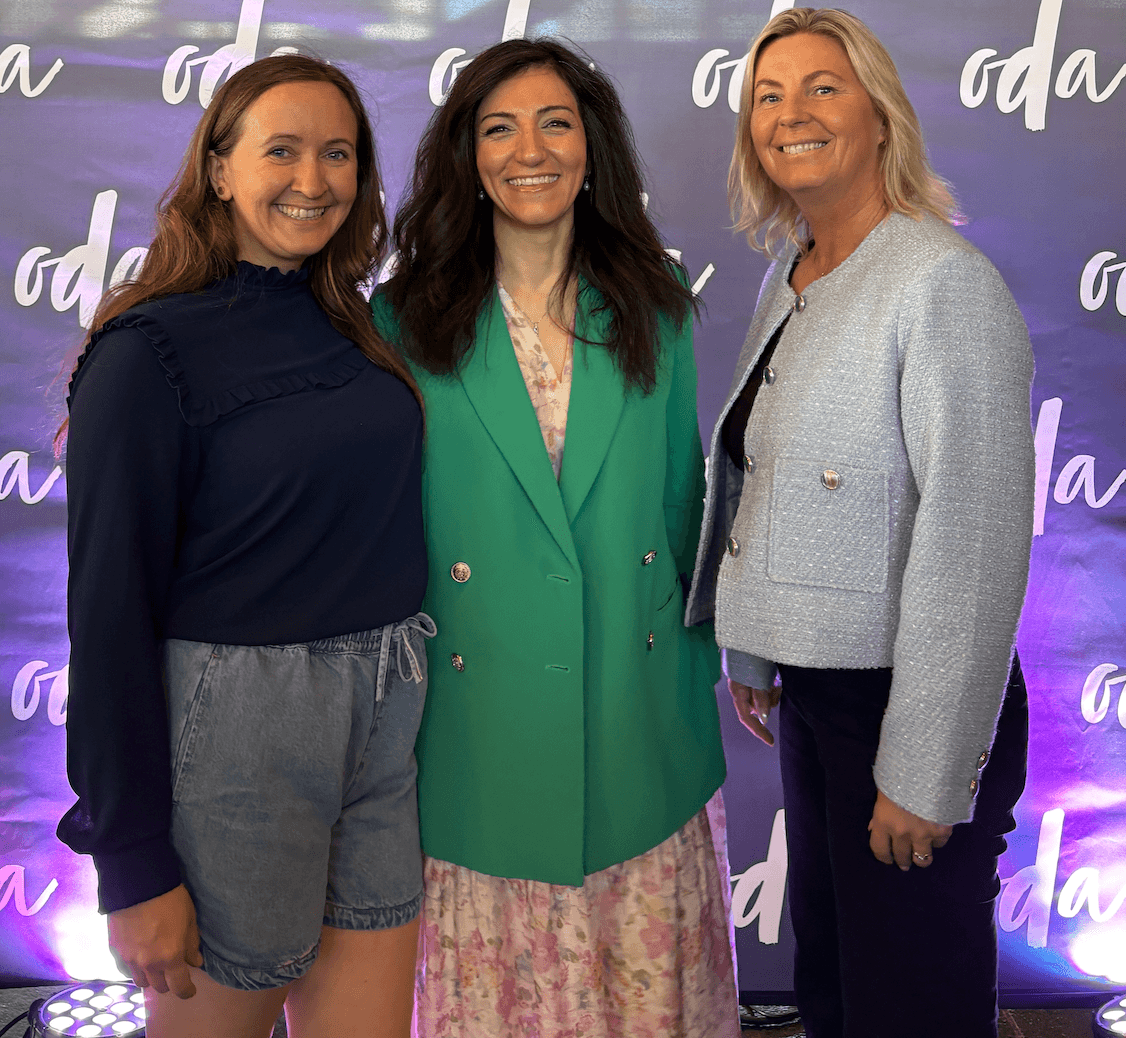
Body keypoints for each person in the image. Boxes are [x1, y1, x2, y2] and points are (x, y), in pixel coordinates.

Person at [58, 55, 432, 1038]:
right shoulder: (147, 353)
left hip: (387, 711)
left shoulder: (352, 323)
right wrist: (132, 865)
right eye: (282, 151)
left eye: (338, 154)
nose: (313, 181)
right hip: (238, 735)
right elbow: (107, 618)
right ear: (218, 168)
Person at [372, 38, 739, 1038]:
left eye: (554, 123)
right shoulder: (401, 322)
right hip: (473, 732)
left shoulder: (654, 311)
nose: (528, 149)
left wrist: (692, 655)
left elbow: (681, 505)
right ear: (466, 158)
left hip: (638, 721)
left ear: (591, 148)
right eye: (499, 128)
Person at [685, 9, 1035, 1038]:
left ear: (879, 115)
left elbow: (971, 545)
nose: (789, 114)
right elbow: (771, 478)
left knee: (909, 1007)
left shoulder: (940, 283)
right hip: (819, 696)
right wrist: (751, 650)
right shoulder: (788, 274)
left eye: (820, 88)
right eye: (766, 95)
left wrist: (926, 768)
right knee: (838, 991)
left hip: (908, 700)